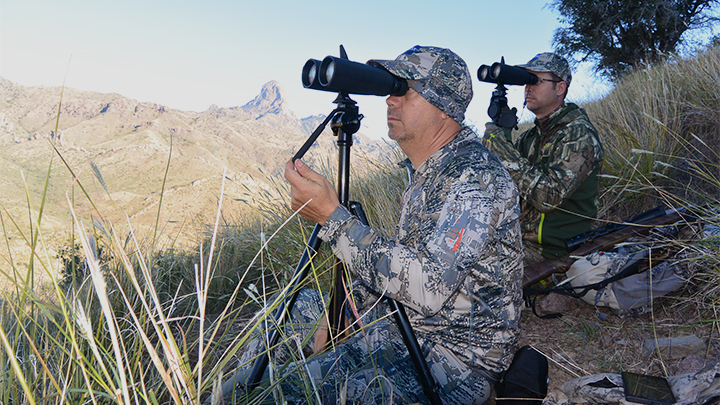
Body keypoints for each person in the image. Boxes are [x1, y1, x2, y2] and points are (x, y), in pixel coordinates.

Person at [222, 46, 523, 405]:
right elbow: (406, 263)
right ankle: (230, 393)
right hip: (406, 324)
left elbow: (428, 287)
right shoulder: (431, 170)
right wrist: (341, 312)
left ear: (443, 107)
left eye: (403, 90)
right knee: (289, 312)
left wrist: (333, 219)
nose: (389, 101)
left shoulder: (474, 177)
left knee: (298, 393)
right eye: (389, 90)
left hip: (458, 357)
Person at [483, 52, 604, 265]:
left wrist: (503, 152)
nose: (527, 87)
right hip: (519, 241)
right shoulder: (531, 137)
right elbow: (502, 186)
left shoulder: (578, 134)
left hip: (556, 251)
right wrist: (502, 134)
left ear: (560, 88)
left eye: (536, 80)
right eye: (525, 80)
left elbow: (549, 197)